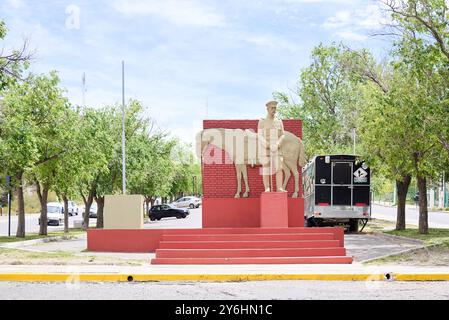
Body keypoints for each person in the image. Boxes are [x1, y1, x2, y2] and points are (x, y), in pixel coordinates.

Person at [257, 100, 287, 193]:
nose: (274, 110)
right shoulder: (262, 121)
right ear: (267, 109)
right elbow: (259, 135)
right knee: (266, 167)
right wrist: (266, 144)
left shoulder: (279, 121)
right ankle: (267, 187)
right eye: (272, 108)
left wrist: (278, 144)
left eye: (275, 108)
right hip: (266, 148)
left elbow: (283, 135)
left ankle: (279, 187)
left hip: (277, 148)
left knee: (279, 167)